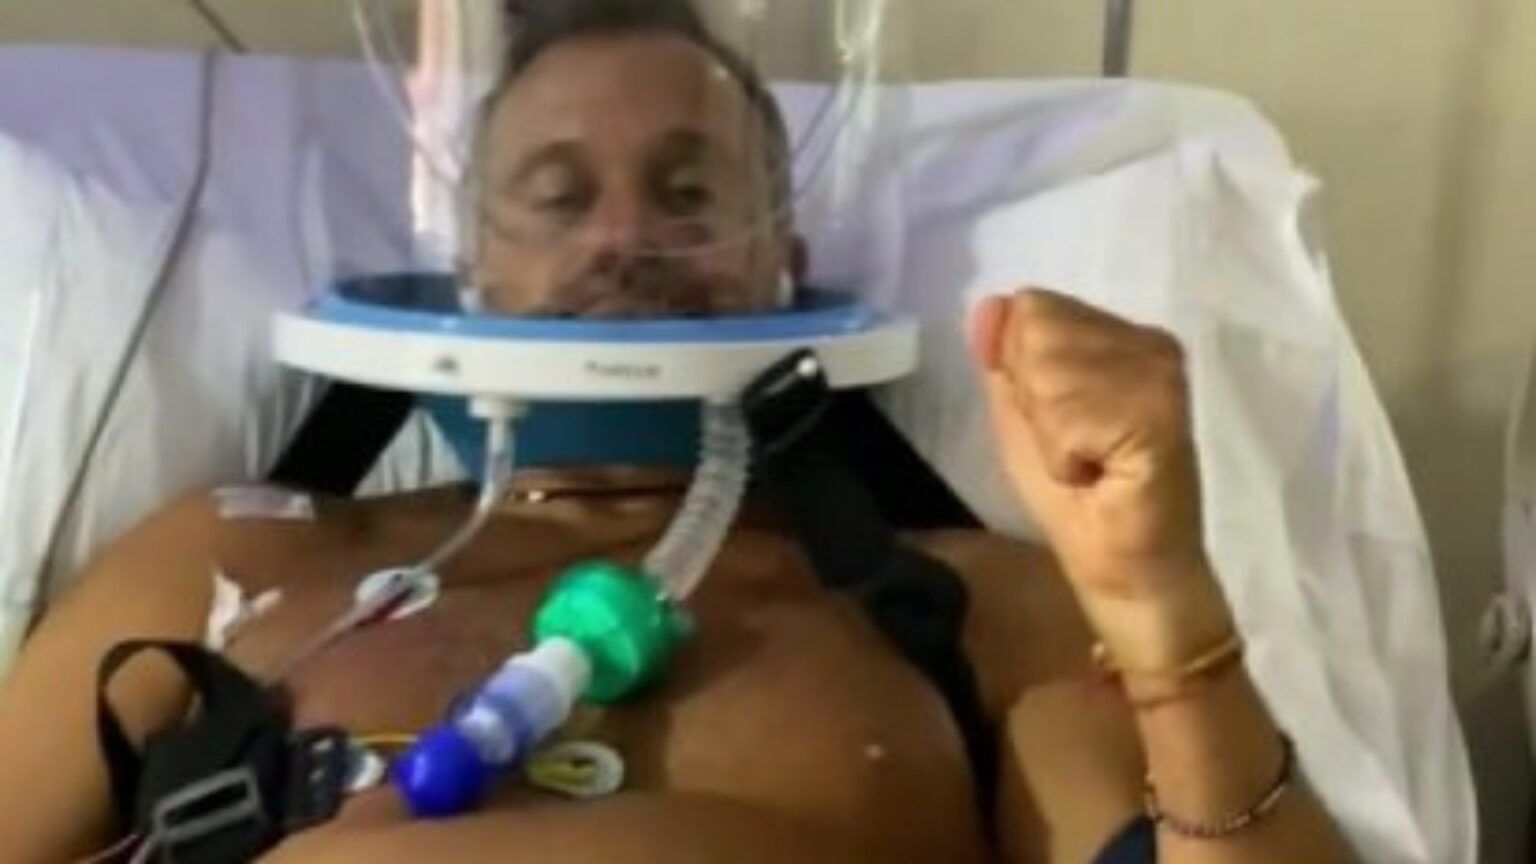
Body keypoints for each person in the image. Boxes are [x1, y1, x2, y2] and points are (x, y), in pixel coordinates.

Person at [0, 1, 1358, 862]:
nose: (626, 237)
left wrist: (1166, 606)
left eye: (690, 191)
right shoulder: (239, 559)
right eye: (557, 195)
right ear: (471, 265)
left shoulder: (968, 607)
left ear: (789, 261)